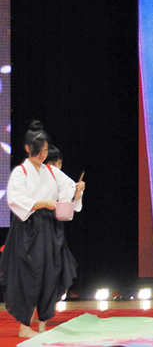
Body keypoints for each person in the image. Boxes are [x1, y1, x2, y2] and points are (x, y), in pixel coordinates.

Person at [0, 121, 85, 338]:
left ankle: (43, 322)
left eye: (45, 150)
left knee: (50, 273)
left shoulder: (51, 172)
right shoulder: (21, 172)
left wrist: (77, 190)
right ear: (28, 148)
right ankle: (24, 325)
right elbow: (16, 200)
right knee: (29, 274)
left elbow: (68, 193)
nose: (42, 154)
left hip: (50, 228)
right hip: (28, 228)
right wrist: (42, 203)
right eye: (38, 150)